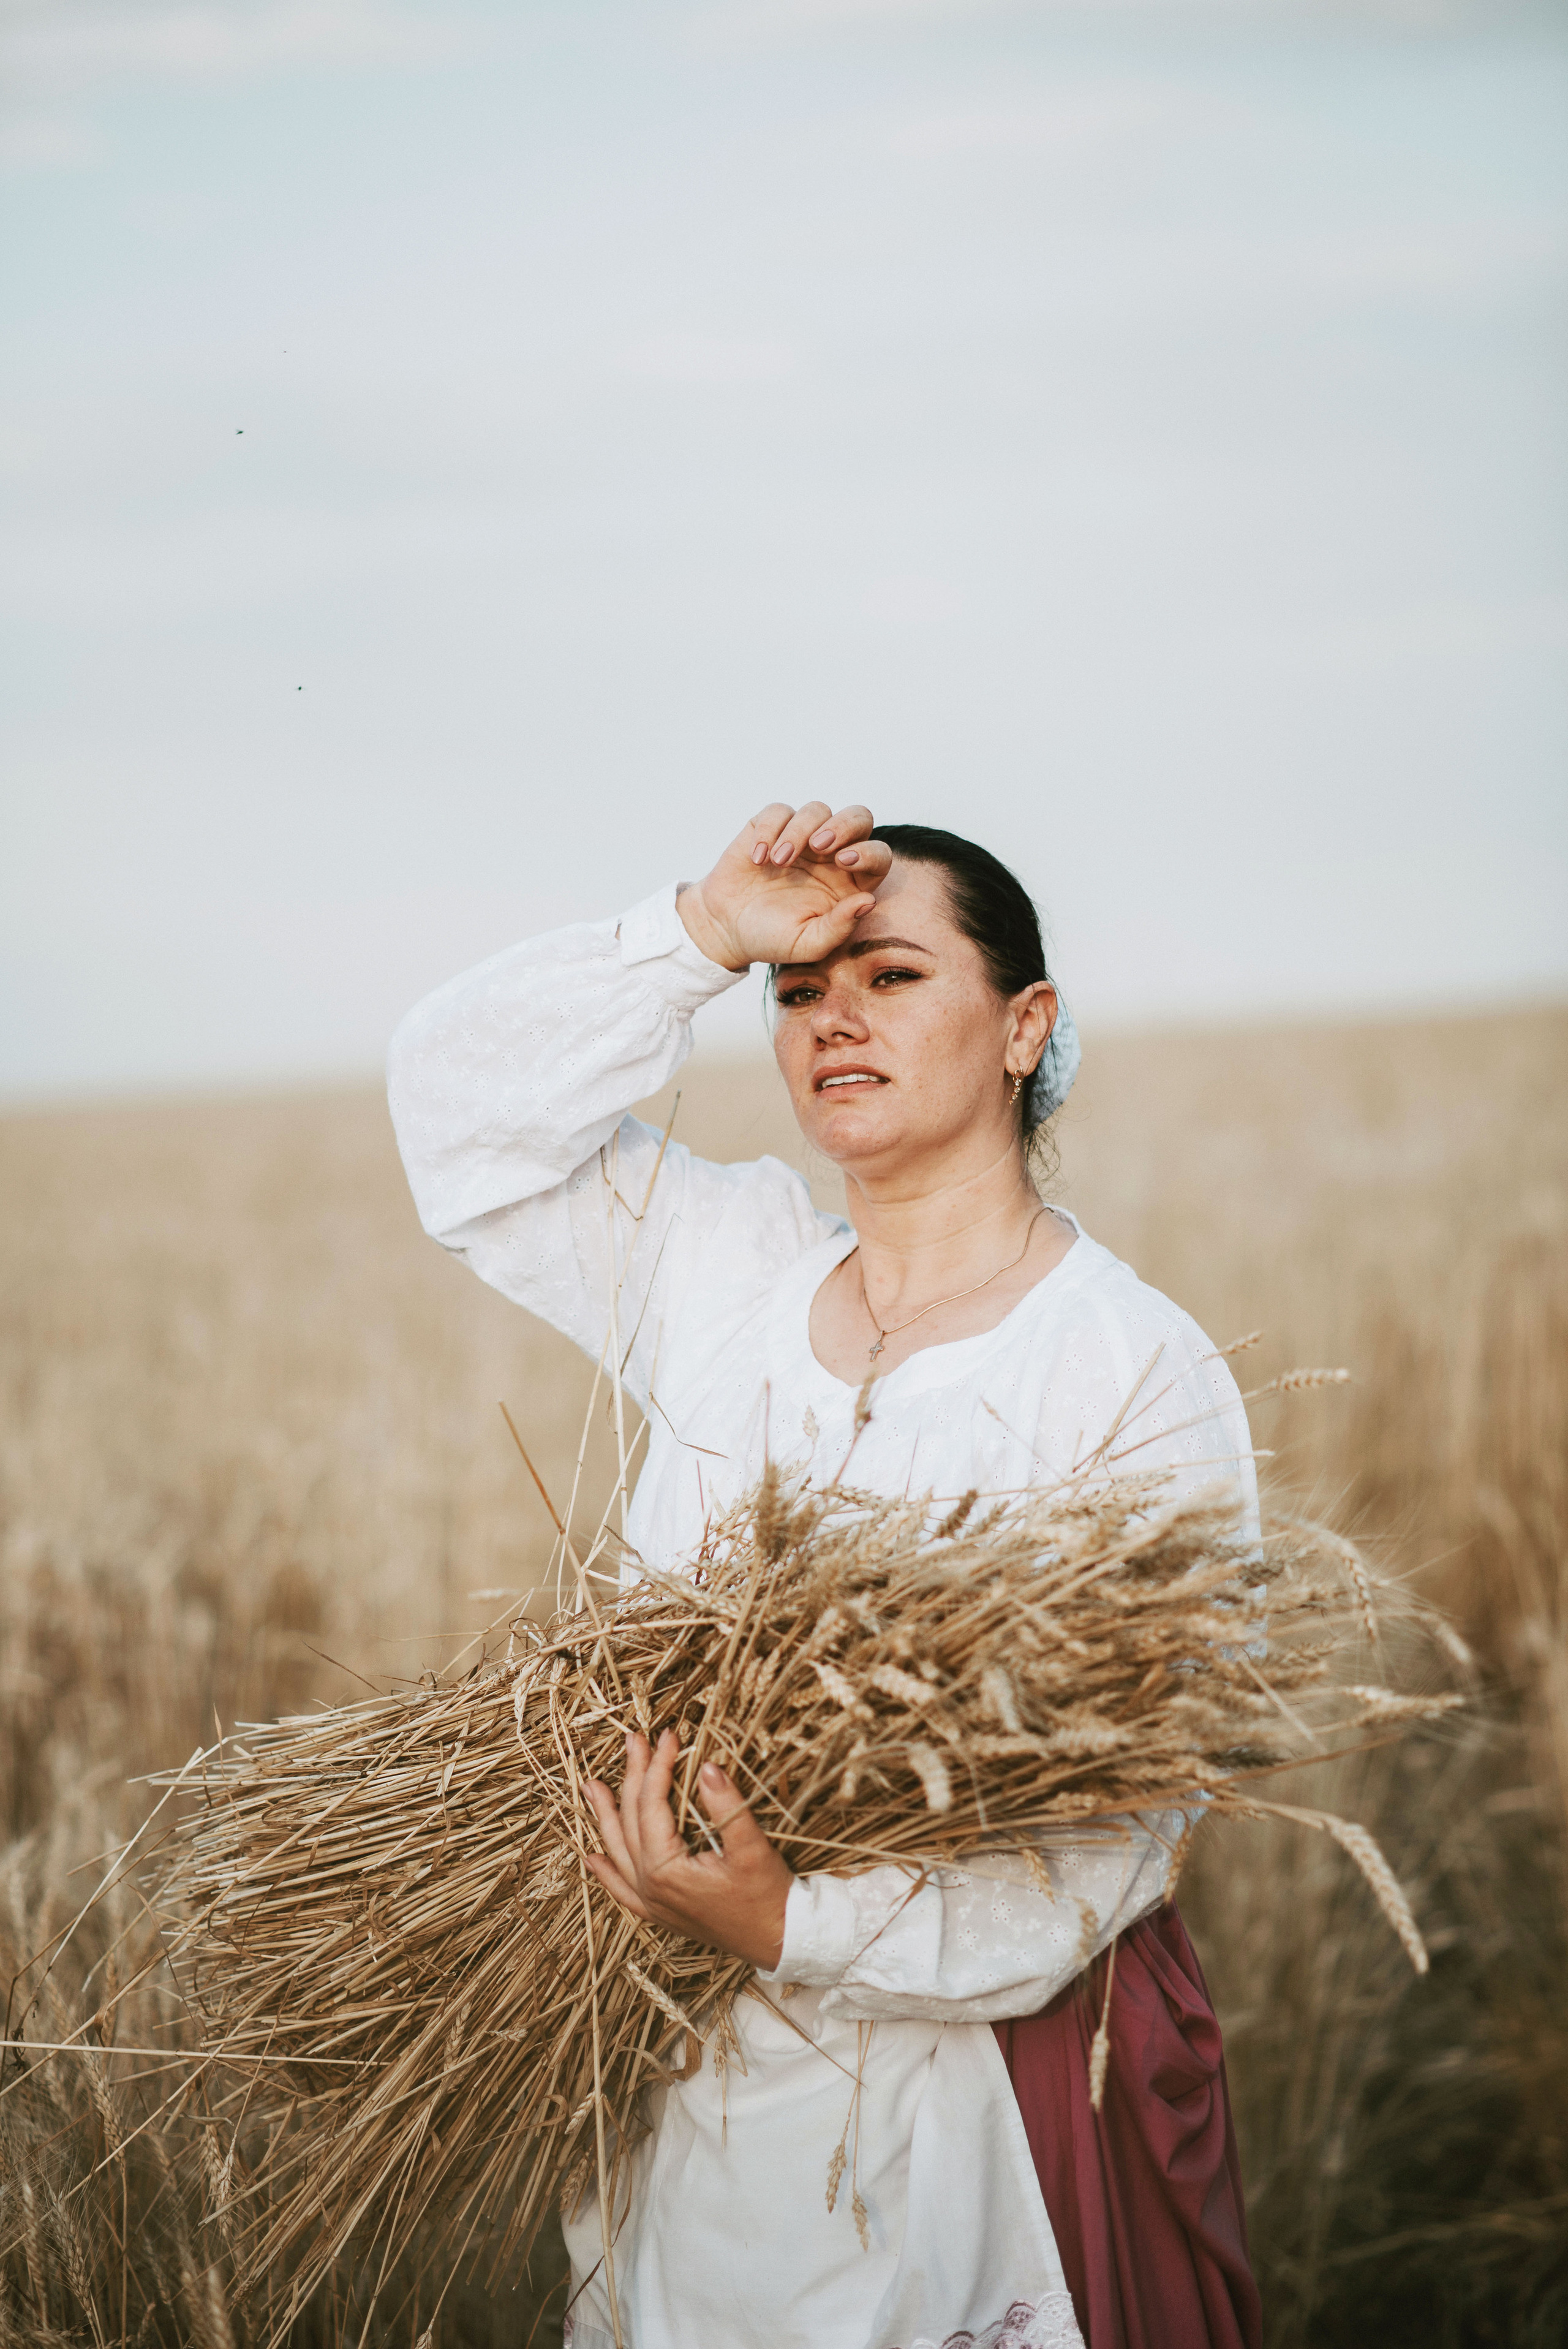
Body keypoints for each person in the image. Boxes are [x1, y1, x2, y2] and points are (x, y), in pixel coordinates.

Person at [388, 804, 1263, 2349]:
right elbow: (456, 1118)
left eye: (892, 976)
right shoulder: (722, 1271)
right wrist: (697, 934)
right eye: (797, 991)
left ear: (1024, 1027)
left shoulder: (1124, 1368)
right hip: (680, 2084)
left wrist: (792, 1924)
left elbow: (1123, 1825)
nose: (831, 1019)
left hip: (962, 2118)